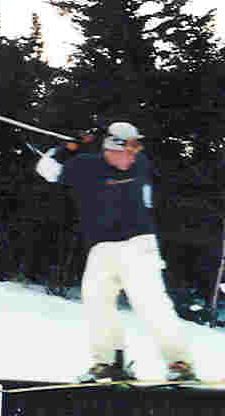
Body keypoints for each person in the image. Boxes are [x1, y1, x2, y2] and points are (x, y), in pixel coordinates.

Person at [35, 122, 196, 382]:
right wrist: (68, 148)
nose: (133, 156)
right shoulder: (86, 166)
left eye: (136, 149)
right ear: (112, 147)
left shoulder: (139, 165)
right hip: (101, 248)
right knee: (97, 303)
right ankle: (109, 363)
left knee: (151, 303)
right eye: (129, 150)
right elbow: (46, 169)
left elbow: (61, 167)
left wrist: (73, 149)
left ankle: (180, 363)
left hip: (139, 244)